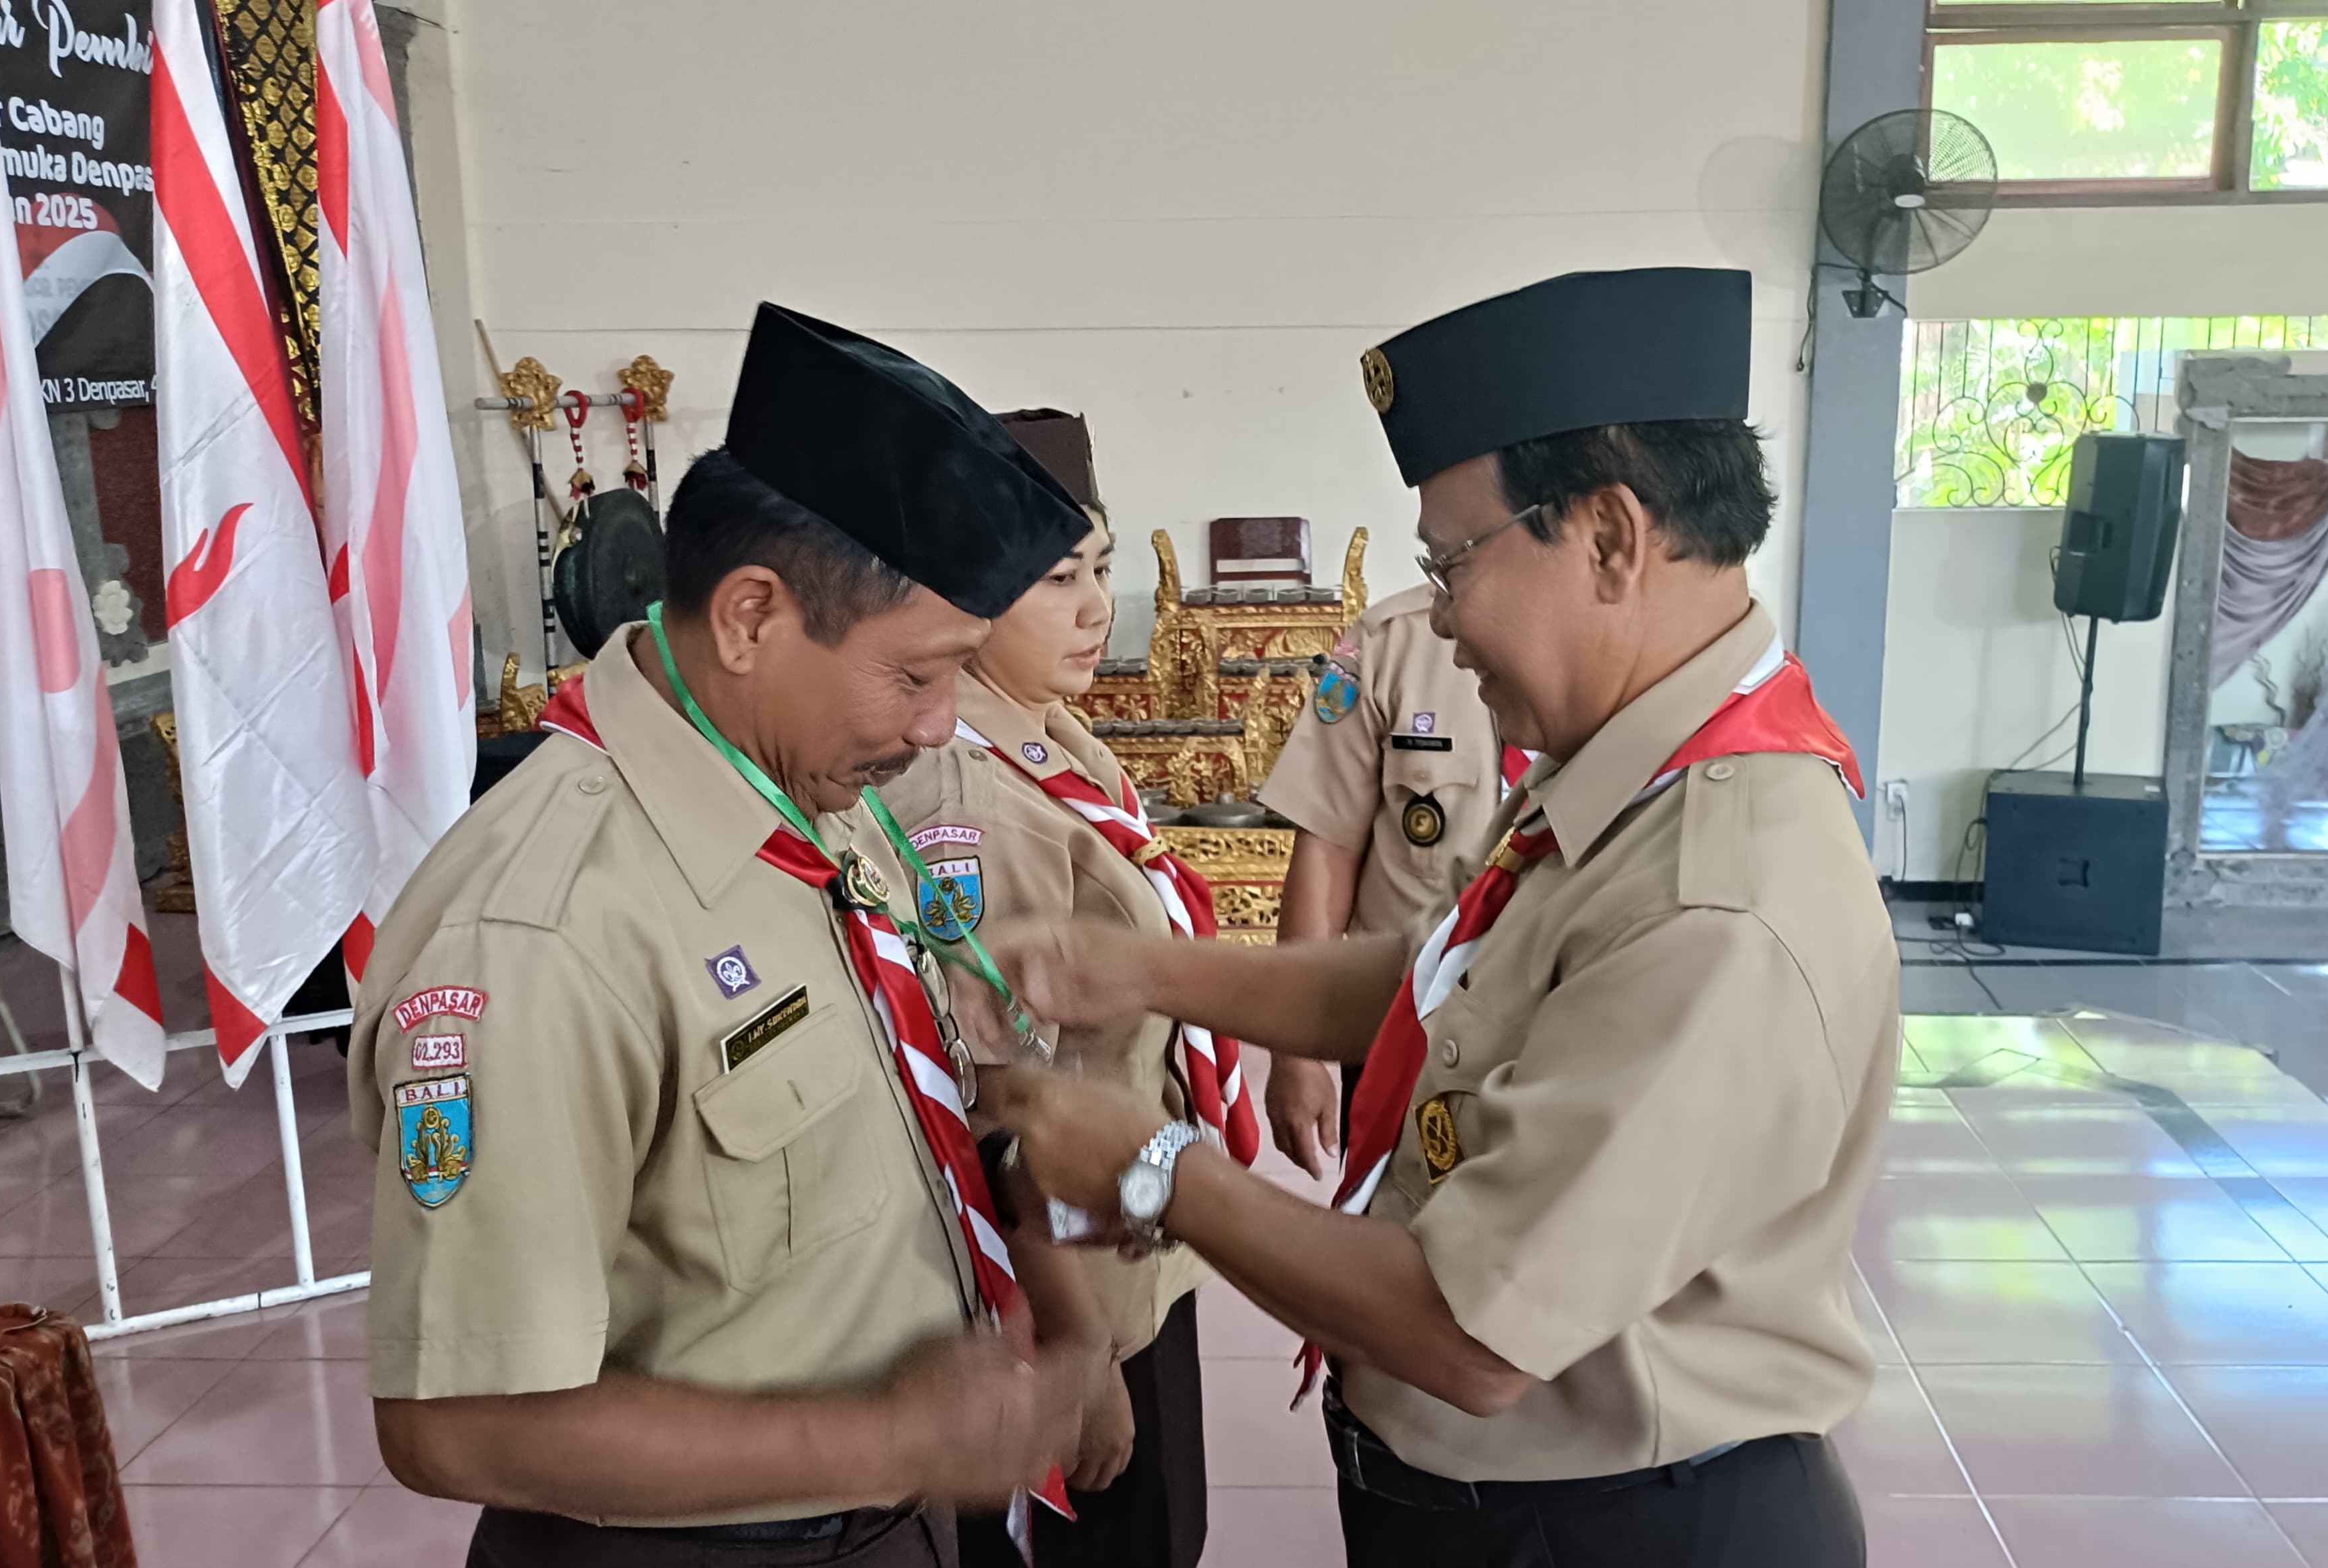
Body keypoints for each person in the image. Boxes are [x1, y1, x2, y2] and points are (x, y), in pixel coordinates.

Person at [985, 267, 1895, 1567]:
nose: (1443, 619)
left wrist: (1147, 1165)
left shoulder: (1716, 888)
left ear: (1609, 537)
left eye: (1449, 563)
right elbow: (1434, 985)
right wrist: (1135, 969)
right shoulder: (1631, 770)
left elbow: (1465, 1336)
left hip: (1617, 1529)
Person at [352, 302, 1114, 1568]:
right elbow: (453, 1424)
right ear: (754, 617)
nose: (938, 729)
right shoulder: (540, 932)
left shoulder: (819, 797)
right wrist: (890, 1440)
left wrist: (1070, 1329)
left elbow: (940, 1097)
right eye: (917, 676)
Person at [878, 417, 1237, 1568]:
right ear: (972, 600)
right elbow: (1001, 1097)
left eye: (1102, 568)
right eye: (1056, 579)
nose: (1096, 607)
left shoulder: (1061, 743)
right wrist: (1073, 1353)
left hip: (1132, 1245)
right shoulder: (962, 795)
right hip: (1067, 1281)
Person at [1256, 584, 1515, 1178]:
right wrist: (1295, 1050)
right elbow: (1327, 848)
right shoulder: (1393, 640)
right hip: (1405, 1033)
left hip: (1563, 1034)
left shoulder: (1638, 643)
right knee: (1391, 1233)